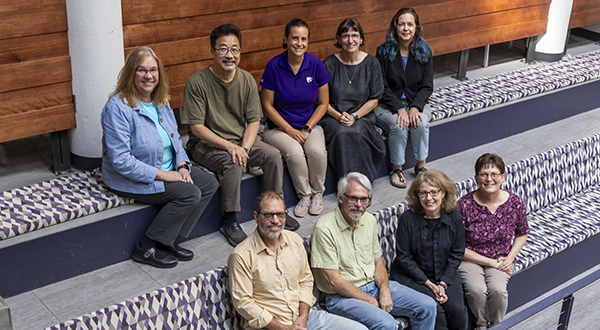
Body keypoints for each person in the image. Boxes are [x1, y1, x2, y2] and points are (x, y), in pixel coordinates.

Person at [182, 24, 300, 248]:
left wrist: (244, 148)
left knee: (273, 154)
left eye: (235, 49)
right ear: (212, 51)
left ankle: (276, 209)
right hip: (206, 145)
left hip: (239, 141)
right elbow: (196, 128)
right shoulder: (197, 82)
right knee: (233, 162)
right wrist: (232, 148)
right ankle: (229, 220)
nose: (230, 55)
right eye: (223, 49)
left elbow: (254, 121)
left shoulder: (246, 79)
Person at [101, 46, 219, 268]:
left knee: (209, 183)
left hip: (168, 169)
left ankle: (168, 240)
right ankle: (145, 246)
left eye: (153, 70)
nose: (148, 76)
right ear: (130, 73)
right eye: (141, 70)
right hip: (131, 176)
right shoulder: (117, 108)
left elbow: (176, 142)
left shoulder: (160, 101)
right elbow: (121, 161)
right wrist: (167, 175)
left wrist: (182, 166)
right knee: (189, 193)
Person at [311, 172, 437, 330]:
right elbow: (334, 281)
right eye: (353, 198)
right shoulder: (324, 228)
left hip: (374, 287)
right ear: (341, 198)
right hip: (342, 297)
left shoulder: (369, 220)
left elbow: (378, 262)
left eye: (364, 199)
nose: (359, 204)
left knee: (428, 306)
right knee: (386, 323)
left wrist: (384, 290)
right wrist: (368, 299)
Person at [228, 191, 369, 330]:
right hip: (270, 326)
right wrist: (283, 328)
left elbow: (306, 280)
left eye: (280, 214)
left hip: (306, 319)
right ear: (256, 217)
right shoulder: (241, 255)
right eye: (268, 215)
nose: (275, 221)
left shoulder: (294, 240)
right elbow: (243, 302)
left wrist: (303, 316)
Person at [260, 19, 330, 218]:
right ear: (286, 40)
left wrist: (307, 128)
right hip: (278, 128)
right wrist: (290, 130)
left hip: (309, 125)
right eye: (295, 38)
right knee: (295, 152)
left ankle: (317, 194)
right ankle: (305, 196)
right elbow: (267, 105)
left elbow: (323, 103)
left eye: (303, 39)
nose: (299, 43)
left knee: (317, 151)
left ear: (308, 42)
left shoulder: (316, 64)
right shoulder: (274, 65)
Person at [457, 154, 529, 330]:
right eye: (483, 174)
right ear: (476, 179)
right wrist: (490, 262)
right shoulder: (464, 205)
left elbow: (522, 233)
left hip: (502, 258)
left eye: (494, 174)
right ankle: (481, 326)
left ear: (503, 177)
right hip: (471, 257)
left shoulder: (514, 202)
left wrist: (510, 257)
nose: (489, 179)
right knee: (476, 291)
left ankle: (497, 327)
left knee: (498, 291)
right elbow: (457, 246)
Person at [391, 170, 468, 330]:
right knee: (436, 312)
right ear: (417, 196)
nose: (429, 198)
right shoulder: (407, 220)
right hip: (412, 277)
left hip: (445, 274)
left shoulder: (455, 217)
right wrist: (430, 285)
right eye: (423, 193)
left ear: (444, 193)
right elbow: (404, 257)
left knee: (457, 311)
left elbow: (457, 253)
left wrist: (443, 283)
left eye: (434, 192)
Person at [375, 7, 434, 189]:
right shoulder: (383, 52)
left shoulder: (425, 51)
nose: (405, 28)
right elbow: (381, 87)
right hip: (387, 104)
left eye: (410, 24)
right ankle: (397, 168)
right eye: (401, 24)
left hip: (416, 102)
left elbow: (427, 86)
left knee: (420, 122)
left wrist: (415, 107)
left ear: (416, 27)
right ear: (395, 26)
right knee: (399, 125)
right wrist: (399, 108)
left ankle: (421, 167)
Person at [322, 18, 386, 183]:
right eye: (345, 36)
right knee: (343, 133)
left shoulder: (372, 63)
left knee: (356, 132)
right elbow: (322, 100)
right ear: (338, 39)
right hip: (333, 117)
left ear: (361, 38)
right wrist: (338, 116)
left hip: (362, 116)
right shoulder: (328, 63)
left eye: (355, 35)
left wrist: (355, 116)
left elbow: (374, 99)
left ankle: (362, 185)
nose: (350, 40)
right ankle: (347, 186)